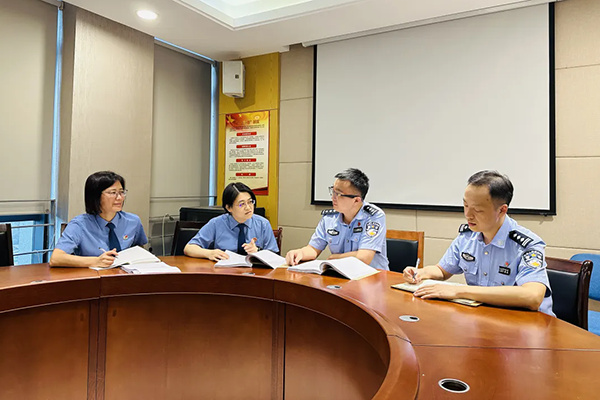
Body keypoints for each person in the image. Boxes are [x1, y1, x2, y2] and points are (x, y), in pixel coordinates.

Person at [403, 170, 554, 315]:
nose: (468, 215)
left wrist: (459, 291)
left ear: (502, 210)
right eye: (466, 205)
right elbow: (442, 270)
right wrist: (420, 273)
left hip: (527, 323)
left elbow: (532, 297)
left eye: (477, 210)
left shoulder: (526, 245)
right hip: (484, 317)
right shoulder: (467, 237)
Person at [285, 168, 389, 270]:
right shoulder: (329, 218)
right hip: (340, 275)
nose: (333, 197)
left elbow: (364, 258)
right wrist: (300, 253)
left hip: (372, 276)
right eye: (333, 191)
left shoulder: (374, 216)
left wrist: (335, 257)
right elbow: (313, 249)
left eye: (338, 194)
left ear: (356, 200)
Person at [50, 171, 148, 268]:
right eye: (113, 193)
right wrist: (95, 261)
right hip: (92, 276)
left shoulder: (133, 221)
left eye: (121, 192)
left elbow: (139, 248)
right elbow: (56, 258)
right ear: (96, 196)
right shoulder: (80, 225)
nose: (120, 198)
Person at [184, 182, 278, 261]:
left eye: (250, 202)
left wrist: (258, 251)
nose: (248, 207)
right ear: (229, 208)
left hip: (255, 273)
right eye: (241, 204)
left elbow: (275, 256)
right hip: (224, 272)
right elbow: (189, 248)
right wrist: (209, 253)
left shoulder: (263, 224)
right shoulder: (216, 223)